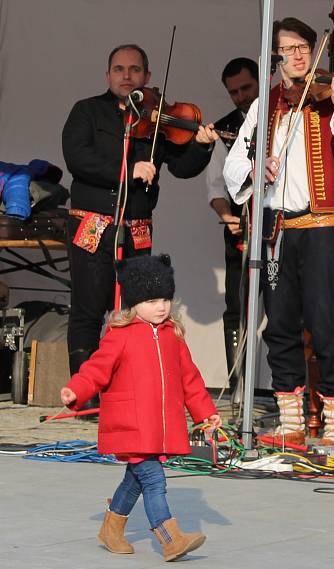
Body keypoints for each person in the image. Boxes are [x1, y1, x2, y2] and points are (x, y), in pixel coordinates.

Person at [223, 17, 334, 448]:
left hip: (323, 228)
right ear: (275, 57)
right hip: (277, 228)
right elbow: (233, 166)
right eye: (288, 48)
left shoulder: (330, 98)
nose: (299, 54)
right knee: (280, 325)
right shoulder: (264, 104)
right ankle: (291, 423)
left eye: (303, 45)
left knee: (325, 325)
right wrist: (255, 169)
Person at [62, 44, 218, 404]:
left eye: (134, 70)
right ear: (108, 76)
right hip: (91, 225)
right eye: (119, 69)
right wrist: (128, 169)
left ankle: (126, 392)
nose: (126, 75)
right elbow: (78, 158)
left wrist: (202, 145)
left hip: (136, 226)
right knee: (88, 308)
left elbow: (182, 166)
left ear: (147, 77)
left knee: (136, 309)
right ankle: (84, 397)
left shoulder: (158, 118)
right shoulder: (86, 111)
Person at [60, 254, 221, 561]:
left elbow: (191, 379)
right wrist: (76, 390)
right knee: (154, 478)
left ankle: (111, 528)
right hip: (131, 423)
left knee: (135, 480)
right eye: (151, 300)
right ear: (133, 303)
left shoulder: (173, 336)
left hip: (159, 425)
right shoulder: (119, 335)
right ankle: (170, 538)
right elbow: (96, 369)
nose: (160, 307)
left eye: (165, 299)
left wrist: (206, 412)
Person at [206, 57, 260, 400]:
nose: (240, 96)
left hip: (284, 228)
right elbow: (214, 188)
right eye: (234, 92)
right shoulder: (224, 127)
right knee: (237, 310)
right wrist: (228, 217)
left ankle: (292, 391)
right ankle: (239, 387)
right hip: (240, 228)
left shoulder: (283, 116)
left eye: (246, 88)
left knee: (286, 310)